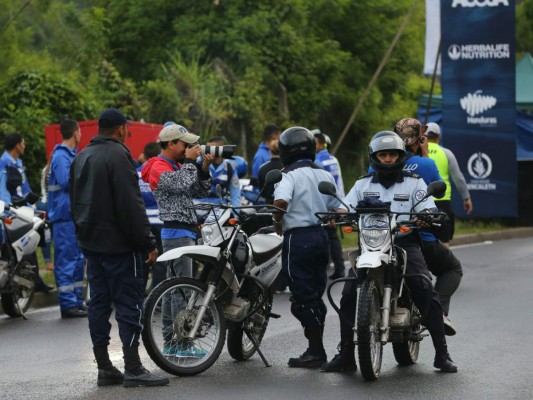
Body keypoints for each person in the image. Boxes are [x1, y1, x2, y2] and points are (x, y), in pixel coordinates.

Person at [321, 131, 457, 374]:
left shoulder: (415, 182)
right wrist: (335, 216)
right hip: (369, 245)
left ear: (400, 156)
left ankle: (441, 352)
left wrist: (427, 216)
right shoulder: (362, 184)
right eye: (382, 155)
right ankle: (345, 354)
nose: (387, 159)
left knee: (423, 286)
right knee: (349, 293)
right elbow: (345, 208)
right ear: (375, 157)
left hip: (404, 243)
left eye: (392, 154)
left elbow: (428, 207)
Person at [70, 108, 168, 387]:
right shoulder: (119, 155)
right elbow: (130, 205)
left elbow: (73, 202)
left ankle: (104, 367)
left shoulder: (81, 157)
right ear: (121, 129)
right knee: (129, 303)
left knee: (98, 305)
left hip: (92, 245)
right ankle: (134, 367)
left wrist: (83, 237)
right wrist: (147, 242)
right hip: (120, 247)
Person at [141, 123, 213, 358]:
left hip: (186, 232)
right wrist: (192, 162)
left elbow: (199, 192)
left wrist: (203, 166)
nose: (188, 148)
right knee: (180, 291)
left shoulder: (177, 166)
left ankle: (174, 343)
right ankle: (178, 344)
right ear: (171, 143)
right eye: (185, 144)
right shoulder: (158, 168)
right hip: (176, 234)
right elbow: (181, 183)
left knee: (178, 290)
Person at [272, 126, 341, 368]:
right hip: (322, 238)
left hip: (298, 239)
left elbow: (281, 200)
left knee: (302, 297)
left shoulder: (287, 175)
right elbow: (339, 207)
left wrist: (276, 221)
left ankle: (315, 351)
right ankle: (316, 348)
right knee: (315, 292)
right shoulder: (324, 174)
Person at [393, 118, 463, 334]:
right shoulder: (426, 163)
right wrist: (423, 155)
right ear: (418, 139)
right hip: (419, 237)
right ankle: (438, 312)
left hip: (386, 235)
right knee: (453, 268)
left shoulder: (377, 162)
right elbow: (439, 191)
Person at [0, 133, 53, 293]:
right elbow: (2, 189)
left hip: (22, 208)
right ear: (17, 145)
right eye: (23, 143)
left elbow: (25, 188)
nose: (24, 146)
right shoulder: (4, 163)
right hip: (10, 209)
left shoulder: (18, 163)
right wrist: (6, 208)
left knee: (32, 238)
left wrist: (32, 206)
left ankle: (34, 278)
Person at [48, 119, 87, 318]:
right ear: (75, 133)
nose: (81, 135)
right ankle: (67, 304)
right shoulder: (61, 157)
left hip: (73, 216)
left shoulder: (70, 156)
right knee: (66, 261)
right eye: (80, 131)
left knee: (78, 260)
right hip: (64, 217)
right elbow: (66, 181)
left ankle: (77, 301)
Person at [425, 122, 473, 247]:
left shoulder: (418, 153)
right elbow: (458, 178)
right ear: (438, 137)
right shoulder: (446, 153)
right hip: (442, 202)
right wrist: (466, 198)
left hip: (422, 201)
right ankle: (444, 266)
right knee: (444, 240)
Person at [312, 129, 346, 280]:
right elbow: (339, 181)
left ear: (318, 143)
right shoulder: (333, 159)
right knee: (333, 237)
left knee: (325, 237)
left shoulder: (317, 161)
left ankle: (325, 268)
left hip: (325, 203)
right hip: (336, 200)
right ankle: (339, 267)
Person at [136, 141, 165, 291]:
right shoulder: (161, 171)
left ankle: (139, 297)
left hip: (142, 224)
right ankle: (157, 297)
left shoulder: (136, 173)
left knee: (142, 260)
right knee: (160, 261)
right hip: (160, 222)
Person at [196, 136, 241, 207]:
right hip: (198, 207)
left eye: (213, 149)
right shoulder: (198, 162)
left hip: (219, 209)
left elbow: (235, 195)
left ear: (221, 150)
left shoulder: (229, 168)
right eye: (207, 148)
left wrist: (235, 215)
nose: (208, 151)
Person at [250, 124, 281, 190]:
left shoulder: (278, 151)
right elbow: (256, 182)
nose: (279, 141)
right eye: (277, 139)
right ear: (273, 138)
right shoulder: (260, 156)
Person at [38, 161, 53, 271]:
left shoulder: (46, 168)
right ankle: (50, 263)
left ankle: (48, 261)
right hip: (50, 205)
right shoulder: (53, 169)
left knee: (46, 236)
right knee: (53, 236)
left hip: (42, 204)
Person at [258, 139, 282, 205]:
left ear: (270, 151)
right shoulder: (287, 167)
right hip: (285, 206)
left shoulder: (262, 168)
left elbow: (262, 192)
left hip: (269, 207)